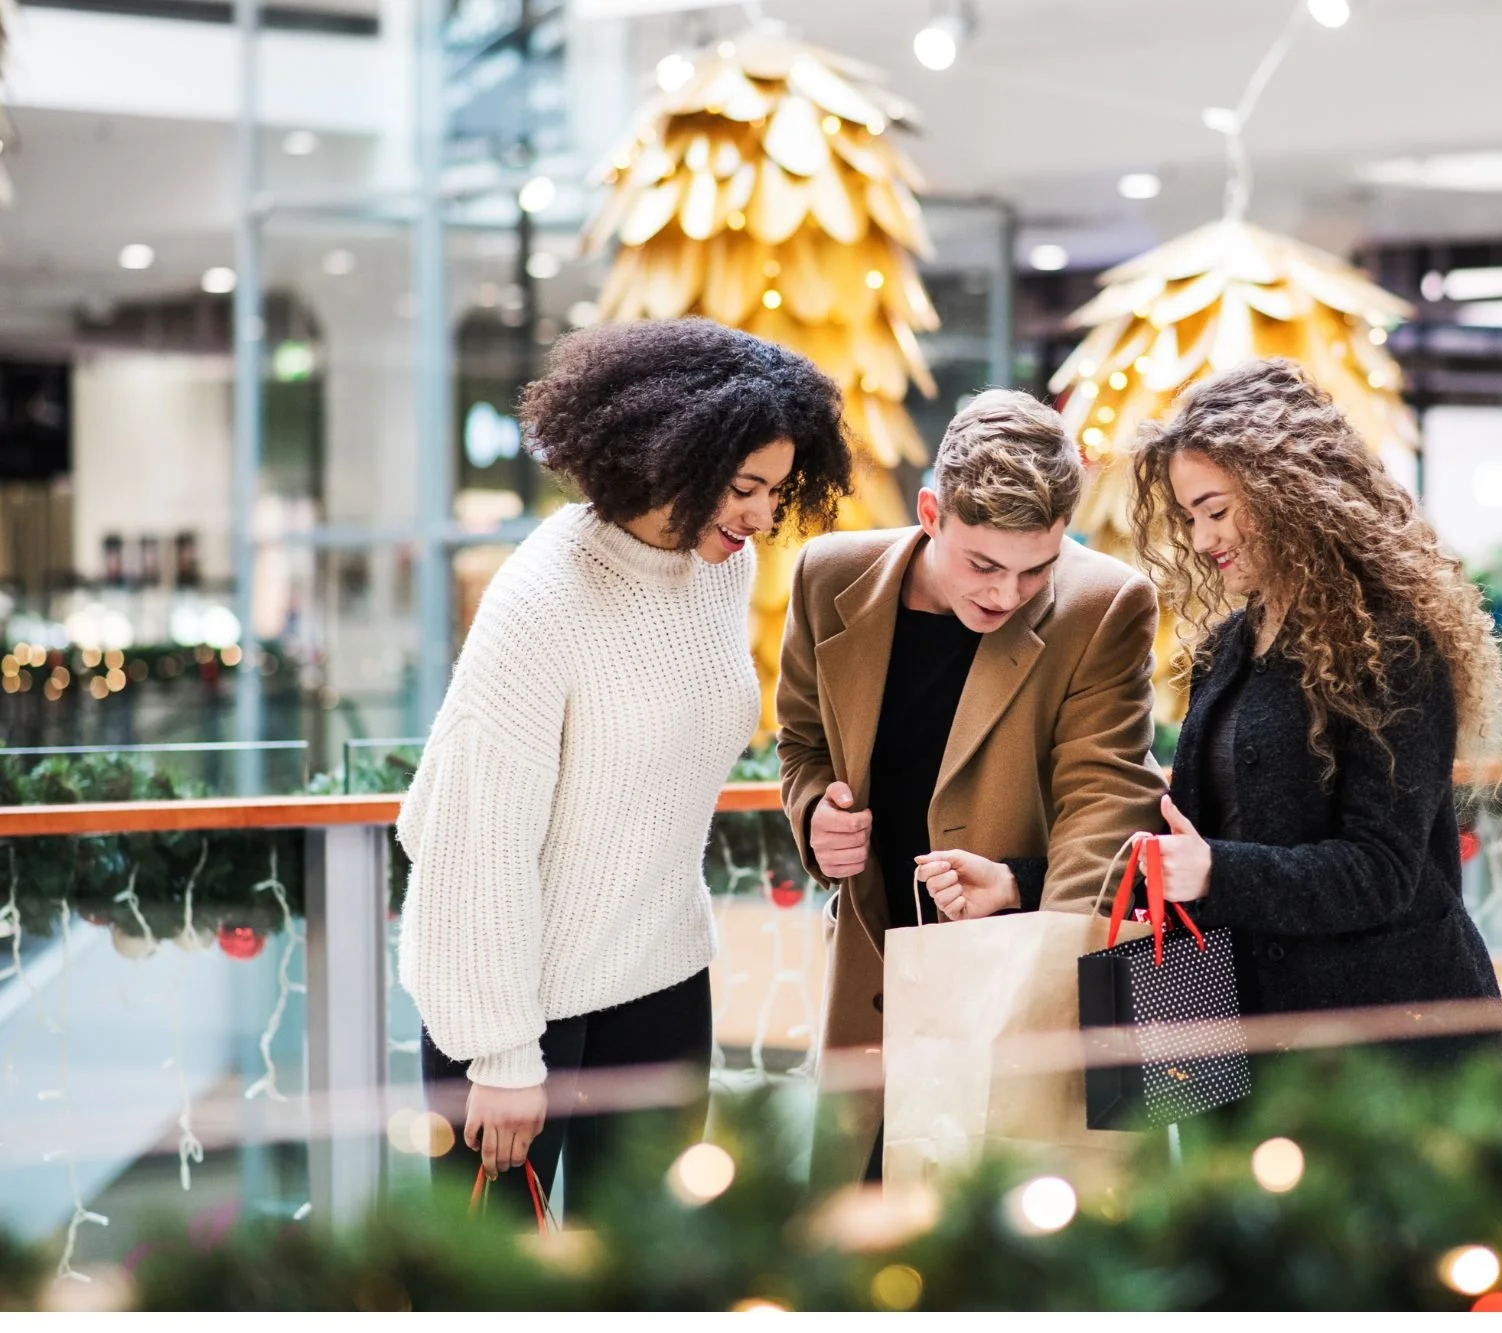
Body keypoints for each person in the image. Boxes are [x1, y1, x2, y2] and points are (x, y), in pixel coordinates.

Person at [396, 318, 852, 1216]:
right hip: (520, 1011)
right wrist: (500, 1054)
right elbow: (469, 840)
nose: (763, 515)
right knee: (500, 1299)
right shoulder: (543, 595)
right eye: (744, 486)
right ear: (667, 456)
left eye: (776, 488)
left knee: (659, 1278)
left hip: (663, 981)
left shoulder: (719, 567)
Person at [776, 388, 1164, 1183]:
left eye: (1036, 569)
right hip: (875, 985)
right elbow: (803, 740)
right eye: (983, 563)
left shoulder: (1104, 606)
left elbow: (1106, 806)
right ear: (930, 512)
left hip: (1021, 988)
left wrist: (1037, 957)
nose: (1006, 594)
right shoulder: (828, 576)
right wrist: (815, 811)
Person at [1128, 358, 1502, 1070]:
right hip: (1257, 1045)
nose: (1201, 539)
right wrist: (1019, 881)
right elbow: (1190, 836)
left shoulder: (1393, 644)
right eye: (1190, 518)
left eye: (1216, 510)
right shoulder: (1229, 647)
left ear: (1286, 491)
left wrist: (1216, 871)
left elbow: (1381, 869)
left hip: (1393, 1057)